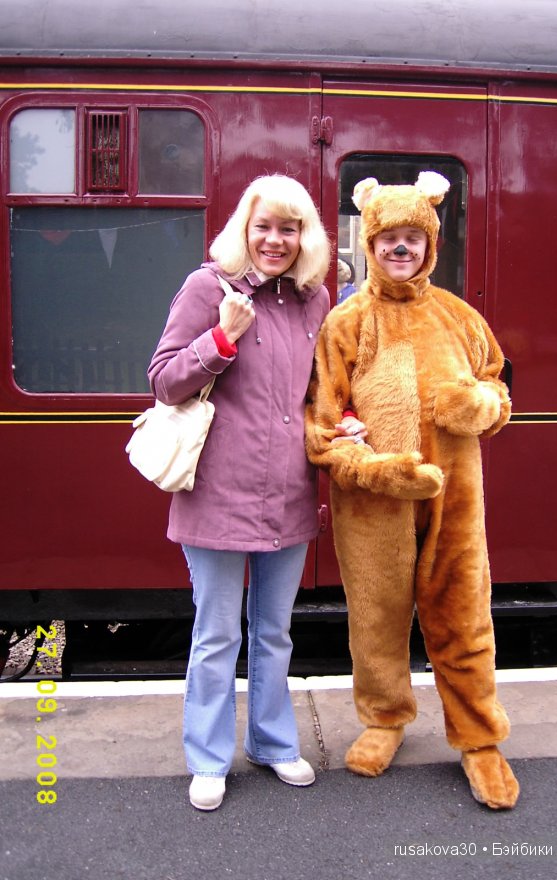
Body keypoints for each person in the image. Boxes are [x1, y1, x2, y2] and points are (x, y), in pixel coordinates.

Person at [305, 172, 520, 810]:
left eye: (413, 239)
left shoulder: (461, 318)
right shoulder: (344, 323)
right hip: (373, 505)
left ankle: (479, 737)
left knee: (462, 612)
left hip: (456, 499)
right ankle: (385, 719)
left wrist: (477, 406)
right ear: (370, 246)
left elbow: (501, 393)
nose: (402, 250)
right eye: (389, 240)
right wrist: (378, 471)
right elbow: (322, 430)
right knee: (376, 620)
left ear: (431, 245)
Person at [148, 174, 335, 811]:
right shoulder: (209, 287)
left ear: (305, 237)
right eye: (265, 227)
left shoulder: (316, 299)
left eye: (290, 228)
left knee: (274, 632)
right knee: (217, 633)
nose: (276, 240)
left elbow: (315, 392)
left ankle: (274, 743)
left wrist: (340, 422)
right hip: (218, 496)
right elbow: (165, 380)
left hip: (288, 492)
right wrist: (221, 337)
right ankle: (207, 757)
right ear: (243, 231)